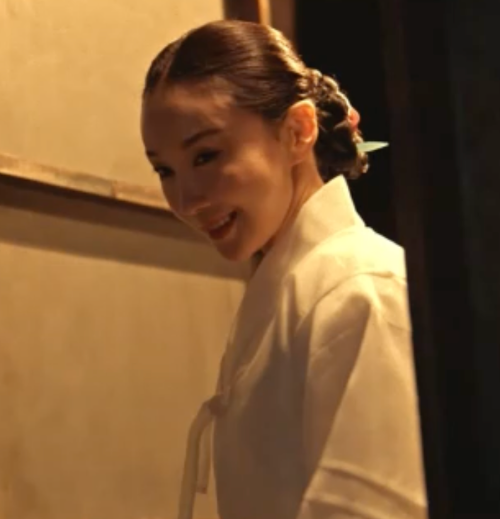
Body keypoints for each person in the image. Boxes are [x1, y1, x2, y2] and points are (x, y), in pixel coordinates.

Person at [140, 19, 427, 519]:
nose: (186, 201)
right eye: (165, 170)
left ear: (297, 131)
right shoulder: (297, 291)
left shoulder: (360, 290)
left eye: (205, 156)